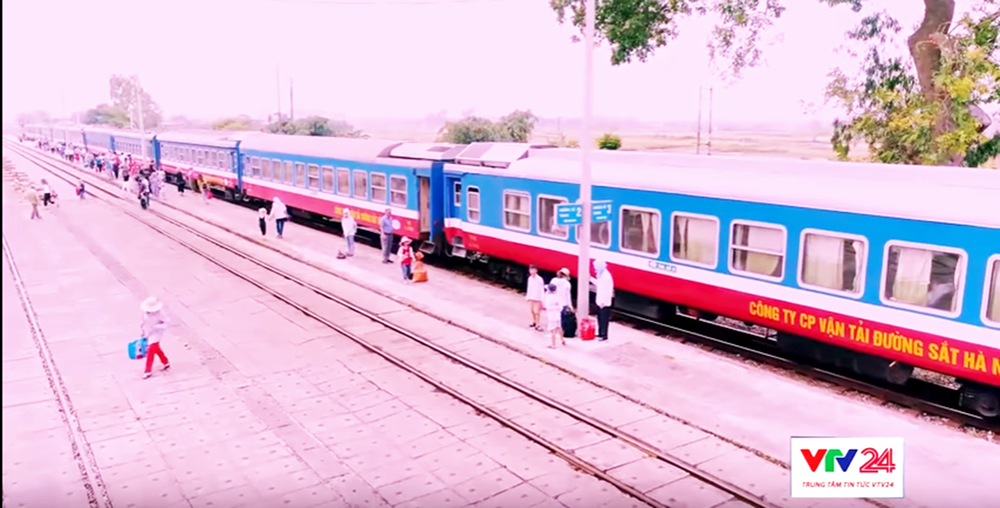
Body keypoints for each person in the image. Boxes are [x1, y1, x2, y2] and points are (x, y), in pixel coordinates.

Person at [140, 297, 170, 379]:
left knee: (151, 350)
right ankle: (165, 361)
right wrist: (144, 331)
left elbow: (167, 323)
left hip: (156, 333)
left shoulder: (160, 314)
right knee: (156, 349)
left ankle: (148, 370)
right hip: (148, 332)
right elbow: (144, 322)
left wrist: (157, 327)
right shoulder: (145, 313)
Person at [594, 259, 615, 341]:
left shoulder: (606, 277)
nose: (595, 269)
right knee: (600, 318)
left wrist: (603, 302)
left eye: (595, 267)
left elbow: (607, 291)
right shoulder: (601, 275)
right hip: (600, 301)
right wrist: (590, 279)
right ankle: (600, 333)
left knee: (604, 319)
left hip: (604, 303)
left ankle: (604, 335)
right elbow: (598, 284)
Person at [542, 283, 565, 349]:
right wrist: (557, 308)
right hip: (557, 314)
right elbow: (561, 307)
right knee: (559, 327)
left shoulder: (548, 298)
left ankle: (553, 344)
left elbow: (546, 306)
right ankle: (562, 340)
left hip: (551, 315)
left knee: (552, 330)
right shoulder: (557, 297)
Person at [525, 265, 544, 331]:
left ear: (536, 270)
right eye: (530, 270)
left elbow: (541, 289)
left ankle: (538, 324)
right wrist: (528, 296)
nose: (531, 271)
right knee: (532, 310)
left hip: (537, 297)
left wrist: (542, 299)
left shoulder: (539, 279)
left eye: (533, 270)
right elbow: (529, 288)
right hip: (531, 297)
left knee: (537, 312)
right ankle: (534, 321)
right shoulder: (530, 278)